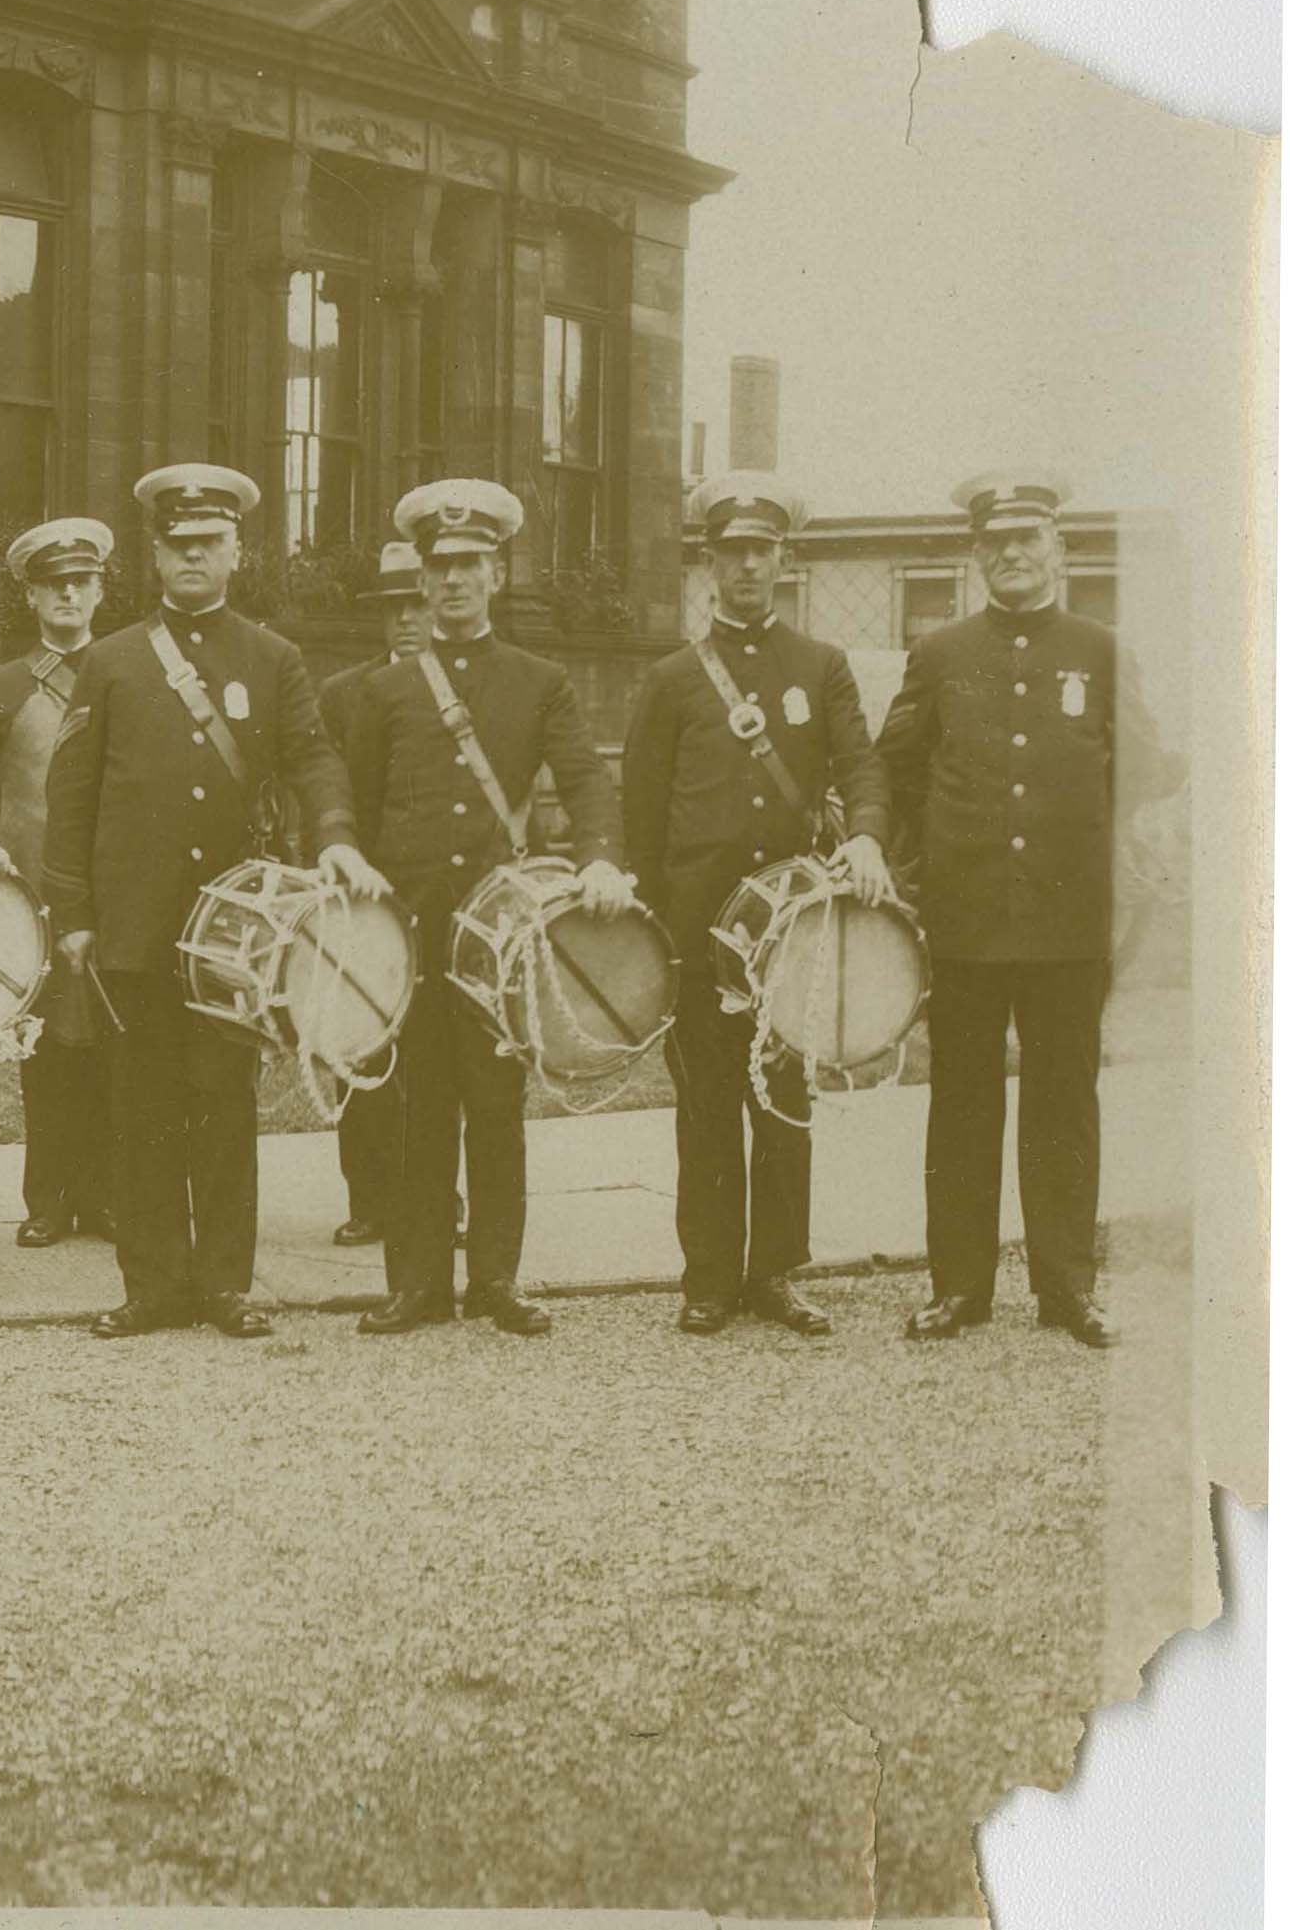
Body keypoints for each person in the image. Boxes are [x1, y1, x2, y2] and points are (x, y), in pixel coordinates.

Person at [44, 463, 371, 1342]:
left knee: (224, 1101)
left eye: (208, 543)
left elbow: (310, 756)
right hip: (136, 924)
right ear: (155, 555)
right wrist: (72, 913)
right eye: (177, 544)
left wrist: (335, 834)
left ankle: (225, 1284)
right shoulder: (112, 661)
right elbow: (70, 794)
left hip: (234, 930)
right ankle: (151, 1285)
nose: (193, 557)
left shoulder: (272, 658)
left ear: (237, 551)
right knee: (141, 1106)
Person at [322, 477, 603, 1334]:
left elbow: (586, 777)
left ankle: (496, 1281)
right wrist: (339, 846)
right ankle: (415, 1285)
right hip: (411, 926)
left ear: (496, 571)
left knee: (494, 1104)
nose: (453, 581)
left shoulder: (538, 680)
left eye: (470, 564)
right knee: (415, 1106)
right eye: (440, 567)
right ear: (423, 578)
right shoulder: (384, 689)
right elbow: (351, 794)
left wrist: (599, 862)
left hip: (496, 933)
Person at [878, 466, 1131, 1344]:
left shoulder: (1101, 650)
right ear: (976, 555)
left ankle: (1066, 1288)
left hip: (1068, 922)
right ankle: (960, 1288)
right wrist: (918, 858)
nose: (1012, 555)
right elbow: (896, 763)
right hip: (969, 920)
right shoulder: (942, 653)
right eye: (996, 543)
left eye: (1028, 539)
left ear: (1059, 549)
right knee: (963, 1103)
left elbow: (1151, 763)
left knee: (1066, 1099)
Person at [633, 480, 874, 1336]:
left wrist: (870, 838)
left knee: (783, 1103)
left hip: (789, 932)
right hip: (700, 930)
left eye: (760, 551)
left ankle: (773, 1273)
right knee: (704, 1107)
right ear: (709, 562)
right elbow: (643, 816)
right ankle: (707, 1280)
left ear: (783, 559)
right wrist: (660, 930)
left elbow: (861, 767)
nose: (746, 565)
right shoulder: (669, 679)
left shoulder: (821, 666)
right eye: (730, 550)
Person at [0, 515, 119, 1250]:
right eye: (52, 583)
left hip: (115, 889)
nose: (67, 594)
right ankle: (49, 1198)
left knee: (116, 1044)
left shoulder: (127, 674)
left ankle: (109, 1195)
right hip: (32, 895)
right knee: (48, 1048)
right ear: (30, 596)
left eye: (81, 581)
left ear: (100, 590)